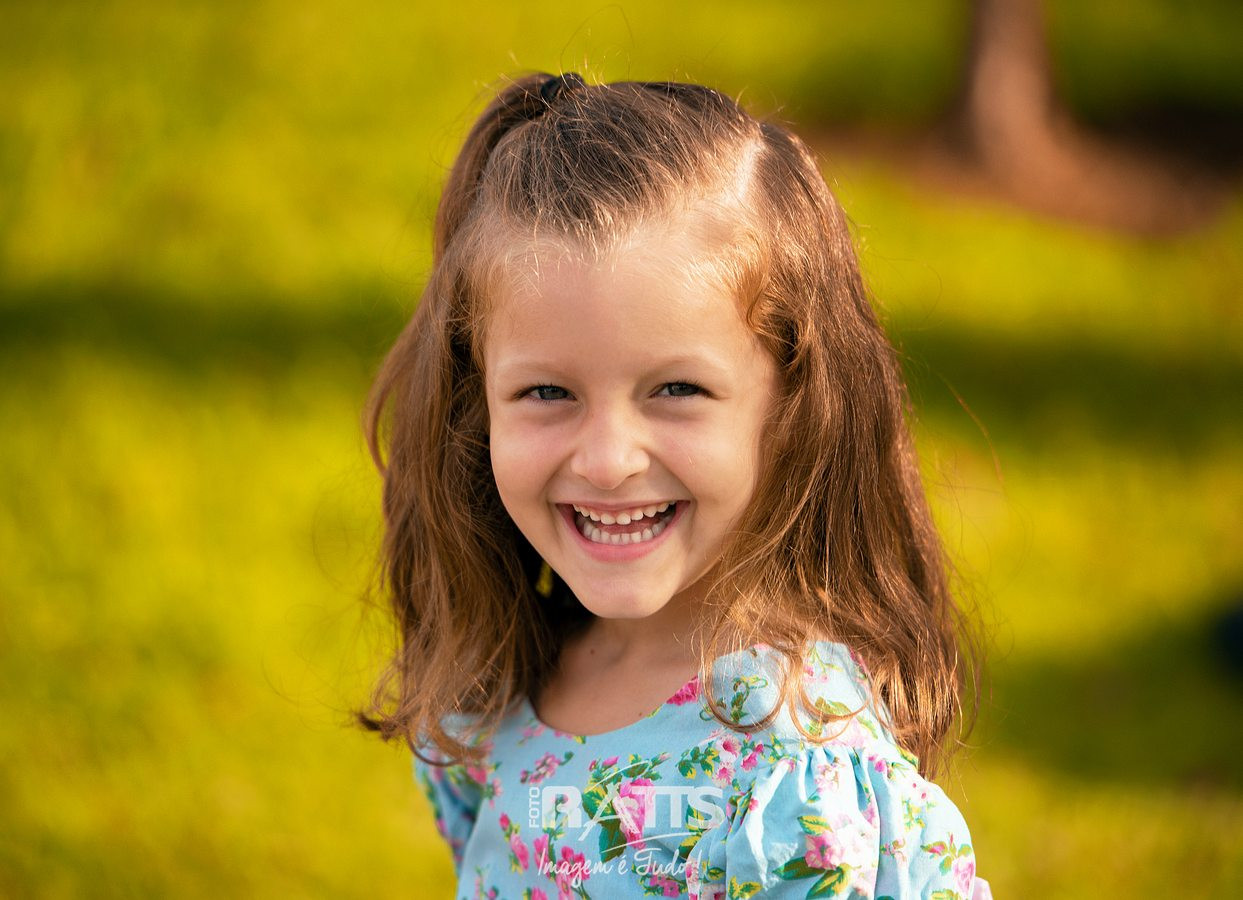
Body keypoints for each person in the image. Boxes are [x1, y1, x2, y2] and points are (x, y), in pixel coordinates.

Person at [360, 71, 991, 899]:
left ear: (791, 406)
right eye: (547, 392)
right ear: (476, 403)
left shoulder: (793, 768)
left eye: (675, 390)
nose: (607, 460)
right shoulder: (492, 699)